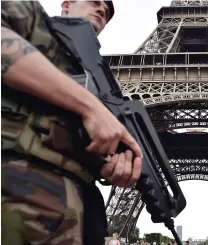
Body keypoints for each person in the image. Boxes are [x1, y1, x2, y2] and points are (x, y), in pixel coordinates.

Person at [1, 1, 143, 245]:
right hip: (15, 185)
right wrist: (89, 106)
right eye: (94, 2)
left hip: (77, 210)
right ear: (66, 4)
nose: (102, 10)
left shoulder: (103, 79)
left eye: (107, 11)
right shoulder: (30, 15)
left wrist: (113, 166)